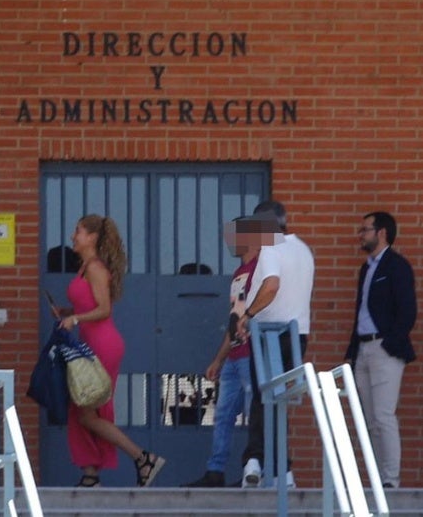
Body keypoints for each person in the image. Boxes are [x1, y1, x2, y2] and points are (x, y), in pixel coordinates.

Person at [55, 214, 165, 488]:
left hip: (102, 345)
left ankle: (143, 458)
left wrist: (76, 319)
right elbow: (89, 304)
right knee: (82, 410)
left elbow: (104, 309)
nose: (73, 237)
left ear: (92, 237)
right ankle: (91, 475)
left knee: (87, 412)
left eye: (78, 231)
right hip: (89, 344)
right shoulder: (84, 268)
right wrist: (69, 312)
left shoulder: (95, 268)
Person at [236, 201, 314, 488]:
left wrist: (248, 315)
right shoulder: (303, 250)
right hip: (297, 334)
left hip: (270, 333)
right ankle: (283, 471)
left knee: (262, 397)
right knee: (279, 402)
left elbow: (271, 286)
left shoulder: (271, 249)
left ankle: (254, 462)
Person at [181, 217, 259, 488]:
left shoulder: (262, 268)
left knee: (255, 414)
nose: (229, 241)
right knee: (223, 414)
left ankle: (257, 470)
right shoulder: (239, 273)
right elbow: (234, 319)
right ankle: (216, 471)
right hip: (235, 356)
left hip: (252, 353)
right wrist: (219, 359)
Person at [344, 211, 417, 489]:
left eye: (365, 230)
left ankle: (390, 480)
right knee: (370, 419)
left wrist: (390, 343)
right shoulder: (367, 268)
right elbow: (359, 311)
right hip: (363, 348)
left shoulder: (397, 266)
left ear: (382, 233)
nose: (361, 235)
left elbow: (408, 311)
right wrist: (352, 352)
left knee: (384, 415)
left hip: (384, 348)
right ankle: (377, 478)